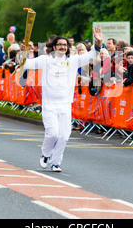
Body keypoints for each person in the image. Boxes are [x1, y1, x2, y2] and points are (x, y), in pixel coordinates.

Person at [20, 27, 103, 172]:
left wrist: (98, 42)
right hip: (49, 104)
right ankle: (45, 154)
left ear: (68, 47)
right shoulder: (45, 60)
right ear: (54, 46)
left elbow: (91, 56)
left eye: (65, 45)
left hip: (65, 104)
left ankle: (55, 162)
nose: (62, 47)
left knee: (64, 136)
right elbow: (26, 64)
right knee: (53, 133)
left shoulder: (73, 60)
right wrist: (23, 53)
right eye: (59, 44)